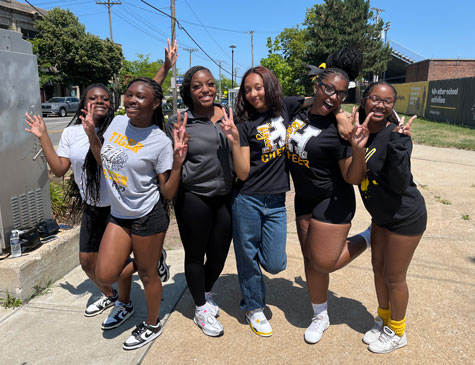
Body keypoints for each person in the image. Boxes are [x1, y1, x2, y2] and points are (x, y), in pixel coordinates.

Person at [83, 76, 187, 350]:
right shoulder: (117, 123)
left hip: (147, 215)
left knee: (147, 274)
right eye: (129, 94)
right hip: (119, 214)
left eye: (140, 97)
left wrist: (177, 164)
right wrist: (92, 135)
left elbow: (167, 193)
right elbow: (102, 159)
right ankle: (152, 262)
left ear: (154, 104)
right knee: (105, 274)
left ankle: (152, 324)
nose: (131, 100)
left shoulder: (159, 141)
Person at [25, 84, 138, 328]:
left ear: (112, 103)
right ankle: (111, 295)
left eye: (105, 98)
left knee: (117, 263)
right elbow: (59, 169)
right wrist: (43, 136)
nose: (100, 101)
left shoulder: (119, 129)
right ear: (83, 102)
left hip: (117, 207)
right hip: (92, 206)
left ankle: (126, 302)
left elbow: (111, 166)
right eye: (93, 97)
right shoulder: (71, 133)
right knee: (88, 263)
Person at [286, 47, 372, 344]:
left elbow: (352, 177)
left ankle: (368, 237)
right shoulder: (296, 110)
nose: (333, 96)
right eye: (327, 89)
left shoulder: (341, 131)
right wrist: (330, 108)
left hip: (333, 199)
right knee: (311, 261)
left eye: (340, 94)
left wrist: (358, 147)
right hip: (304, 199)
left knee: (324, 262)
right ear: (316, 87)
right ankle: (320, 315)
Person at [219, 66, 307, 337]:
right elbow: (243, 172)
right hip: (247, 199)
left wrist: (340, 115)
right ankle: (253, 306)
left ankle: (250, 270)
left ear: (269, 85)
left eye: (258, 87)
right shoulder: (244, 124)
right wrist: (234, 139)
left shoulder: (287, 107)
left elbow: (321, 102)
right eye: (247, 90)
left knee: (275, 263)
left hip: (277, 200)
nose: (253, 93)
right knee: (247, 255)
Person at [356, 82, 426, 354]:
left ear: (392, 106)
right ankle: (383, 319)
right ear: (365, 100)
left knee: (394, 277)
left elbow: (398, 184)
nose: (380, 105)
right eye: (375, 98)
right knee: (378, 270)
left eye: (387, 101)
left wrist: (399, 144)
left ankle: (398, 331)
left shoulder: (396, 135)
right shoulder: (361, 132)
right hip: (380, 217)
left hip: (405, 216)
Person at [165, 66, 233, 337]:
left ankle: (204, 291)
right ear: (188, 92)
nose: (205, 89)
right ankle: (200, 307)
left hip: (226, 196)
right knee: (196, 254)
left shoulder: (230, 115)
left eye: (210, 84)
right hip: (194, 196)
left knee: (219, 254)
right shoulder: (179, 121)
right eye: (197, 86)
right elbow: (173, 158)